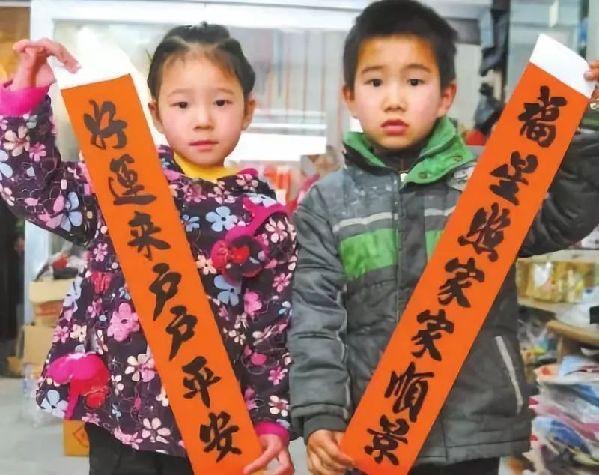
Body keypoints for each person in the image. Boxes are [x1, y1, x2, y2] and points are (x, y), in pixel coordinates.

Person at [289, 1, 599, 474]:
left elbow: (563, 218)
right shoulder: (326, 203)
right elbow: (315, 316)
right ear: (349, 96)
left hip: (472, 428)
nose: (394, 99)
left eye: (415, 82)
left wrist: (587, 123)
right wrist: (320, 411)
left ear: (445, 95)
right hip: (371, 430)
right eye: (375, 82)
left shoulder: (491, 182)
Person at [0, 23, 295, 475]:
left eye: (221, 102)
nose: (202, 119)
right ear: (156, 114)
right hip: (120, 408)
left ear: (247, 110)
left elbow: (271, 332)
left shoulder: (263, 219)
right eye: (182, 104)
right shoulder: (121, 178)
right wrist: (27, 102)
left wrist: (270, 419)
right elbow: (38, 194)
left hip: (212, 421)